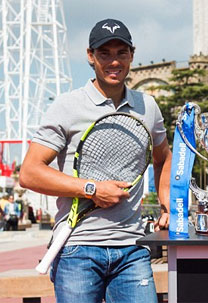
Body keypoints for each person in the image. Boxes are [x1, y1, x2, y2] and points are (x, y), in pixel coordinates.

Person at [19, 18, 172, 303]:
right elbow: (29, 173)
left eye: (121, 53)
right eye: (105, 53)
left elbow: (164, 158)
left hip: (133, 249)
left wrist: (167, 204)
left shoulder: (147, 106)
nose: (114, 62)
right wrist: (91, 189)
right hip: (78, 248)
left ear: (131, 55)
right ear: (90, 56)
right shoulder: (67, 106)